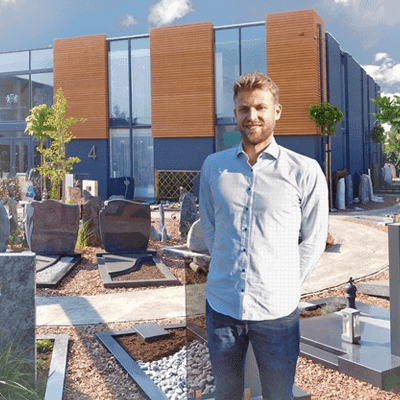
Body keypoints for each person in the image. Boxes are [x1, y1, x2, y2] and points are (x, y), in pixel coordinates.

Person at [199, 72, 329, 400]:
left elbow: (314, 237)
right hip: (222, 306)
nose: (252, 116)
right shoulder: (214, 167)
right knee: (225, 392)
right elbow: (210, 225)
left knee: (278, 394)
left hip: (276, 313)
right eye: (244, 109)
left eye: (260, 107)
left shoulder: (305, 170)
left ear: (277, 112)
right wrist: (225, 267)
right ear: (235, 115)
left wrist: (285, 283)